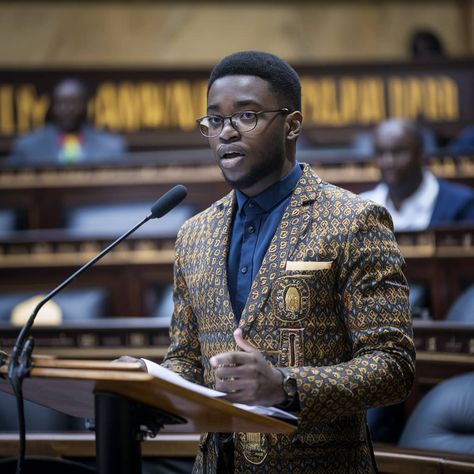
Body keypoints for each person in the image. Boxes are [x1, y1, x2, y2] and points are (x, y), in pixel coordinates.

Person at [123, 51, 415, 473]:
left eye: (246, 117)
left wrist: (286, 385)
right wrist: (149, 383)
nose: (226, 133)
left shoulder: (352, 220)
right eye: (215, 121)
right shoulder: (194, 234)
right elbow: (187, 358)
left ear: (292, 125)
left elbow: (394, 365)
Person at [360, 118, 474, 231]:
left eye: (398, 152)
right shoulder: (361, 208)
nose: (388, 161)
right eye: (380, 153)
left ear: (420, 155)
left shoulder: (461, 205)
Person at [7, 78, 126, 165]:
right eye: (61, 103)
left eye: (73, 102)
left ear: (85, 106)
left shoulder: (111, 146)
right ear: (52, 106)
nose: (67, 109)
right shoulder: (27, 146)